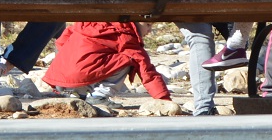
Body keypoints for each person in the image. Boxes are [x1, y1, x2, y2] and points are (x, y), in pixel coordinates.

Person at [40, 22, 173, 105]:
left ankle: (75, 92)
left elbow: (60, 42)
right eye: (148, 25)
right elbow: (147, 71)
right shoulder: (126, 37)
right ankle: (99, 96)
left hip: (62, 79)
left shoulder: (86, 24)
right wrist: (163, 97)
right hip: (78, 75)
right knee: (128, 59)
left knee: (83, 60)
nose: (150, 30)